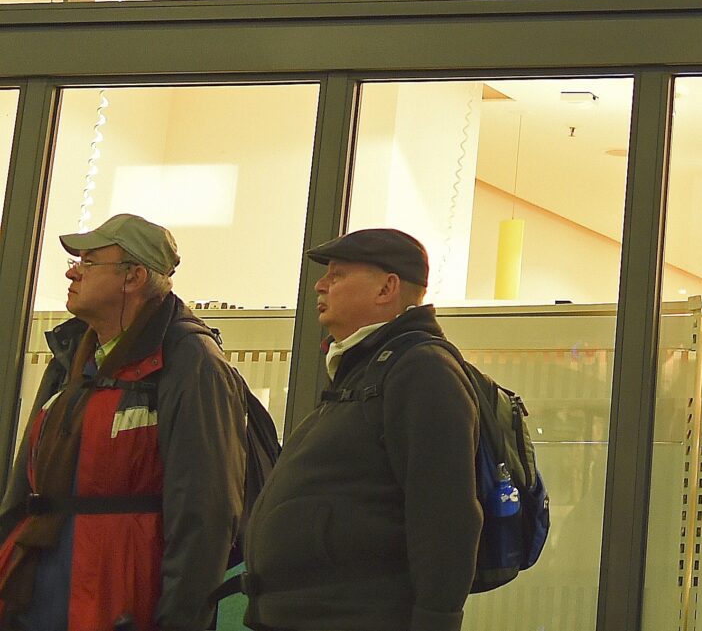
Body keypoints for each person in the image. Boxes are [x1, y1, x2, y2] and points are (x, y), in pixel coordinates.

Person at [0, 212, 261, 631]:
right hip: (37, 597)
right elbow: (22, 494)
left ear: (134, 276)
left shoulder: (190, 363)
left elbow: (205, 513)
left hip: (123, 604)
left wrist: (180, 621)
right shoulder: (71, 355)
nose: (72, 272)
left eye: (88, 262)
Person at [243, 230, 478, 631]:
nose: (320, 285)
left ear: (387, 288)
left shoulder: (421, 369)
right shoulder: (363, 369)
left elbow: (445, 513)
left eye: (338, 274)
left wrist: (436, 621)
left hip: (356, 616)